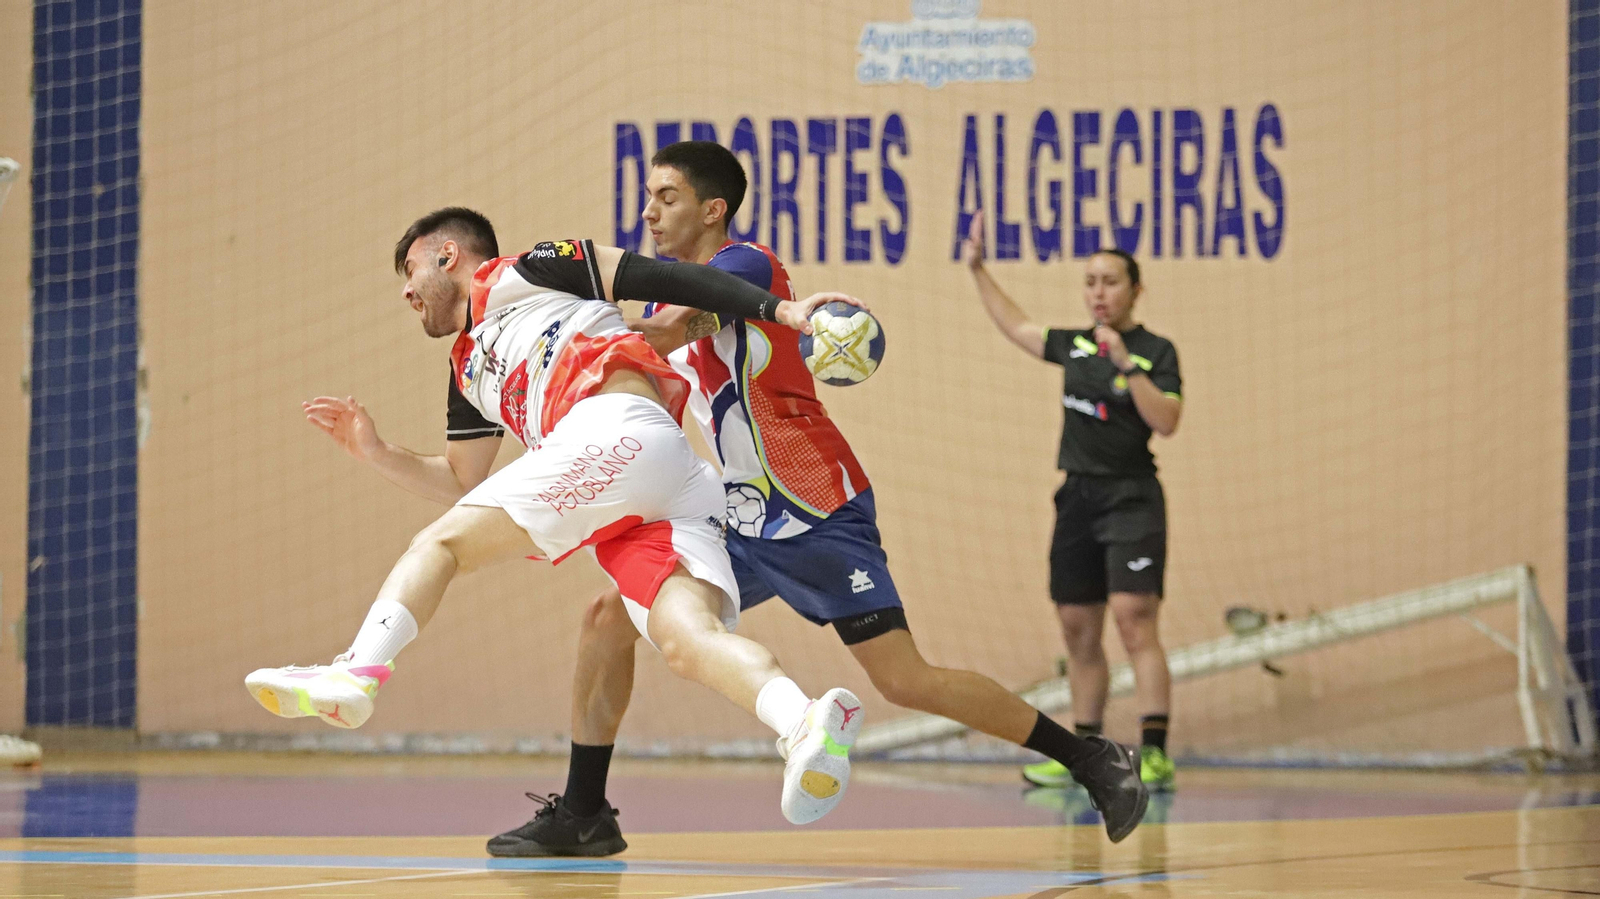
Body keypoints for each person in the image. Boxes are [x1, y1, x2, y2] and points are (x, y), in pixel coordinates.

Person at [485, 142, 1147, 858]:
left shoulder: (748, 266)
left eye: (666, 196)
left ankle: (1093, 760)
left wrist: (544, 318)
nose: (649, 210)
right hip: (738, 515)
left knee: (906, 679)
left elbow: (681, 320)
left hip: (815, 506)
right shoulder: (664, 297)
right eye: (647, 195)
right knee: (610, 616)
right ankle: (585, 811)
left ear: (713, 209)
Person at [249, 208, 869, 827]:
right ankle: (805, 721)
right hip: (663, 482)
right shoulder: (465, 368)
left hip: (616, 429)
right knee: (690, 641)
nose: (406, 291)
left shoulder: (533, 269)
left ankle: (358, 671)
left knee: (439, 547)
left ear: (448, 256)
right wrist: (376, 452)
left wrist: (782, 311)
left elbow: (668, 280)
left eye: (411, 270)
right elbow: (464, 480)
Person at [965, 211, 1183, 793]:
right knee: (1077, 629)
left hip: (1132, 498)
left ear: (1135, 290)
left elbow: (1167, 421)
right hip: (1077, 499)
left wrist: (1126, 364)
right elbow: (1020, 329)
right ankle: (1086, 756)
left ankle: (1155, 752)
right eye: (1090, 282)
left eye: (1110, 281)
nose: (1098, 292)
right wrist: (978, 269)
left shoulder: (1154, 351)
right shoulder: (1074, 345)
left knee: (1136, 623)